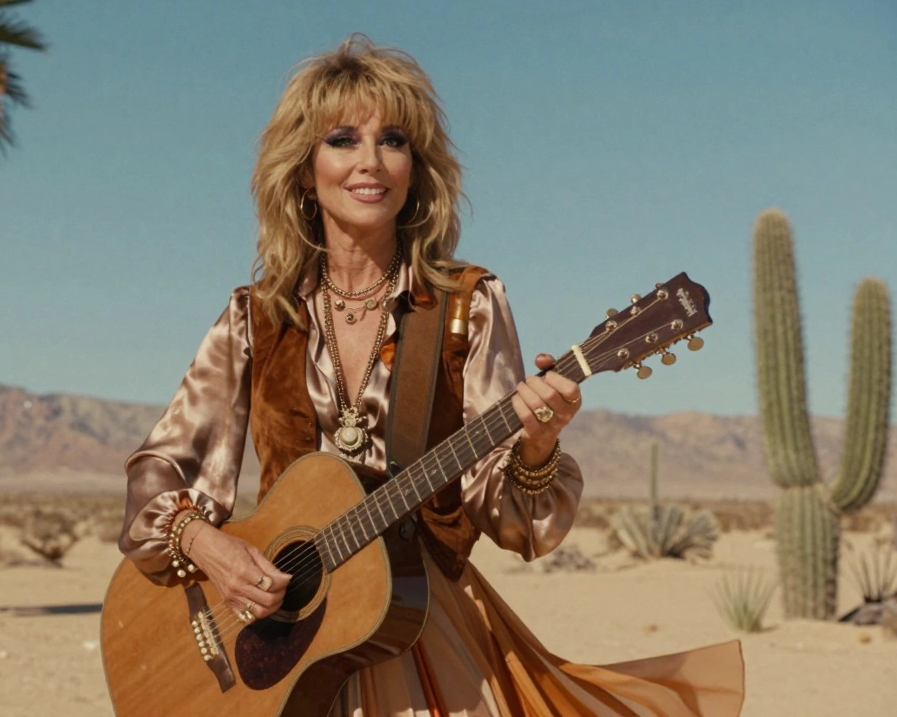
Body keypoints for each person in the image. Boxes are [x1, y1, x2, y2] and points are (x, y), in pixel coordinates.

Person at [118, 35, 744, 717]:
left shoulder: (463, 307)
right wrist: (210, 548)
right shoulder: (255, 316)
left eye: (393, 139)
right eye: (342, 139)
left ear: (416, 168)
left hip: (417, 622)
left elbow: (514, 522)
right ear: (303, 171)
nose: (370, 161)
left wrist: (535, 448)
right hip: (284, 650)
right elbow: (160, 471)